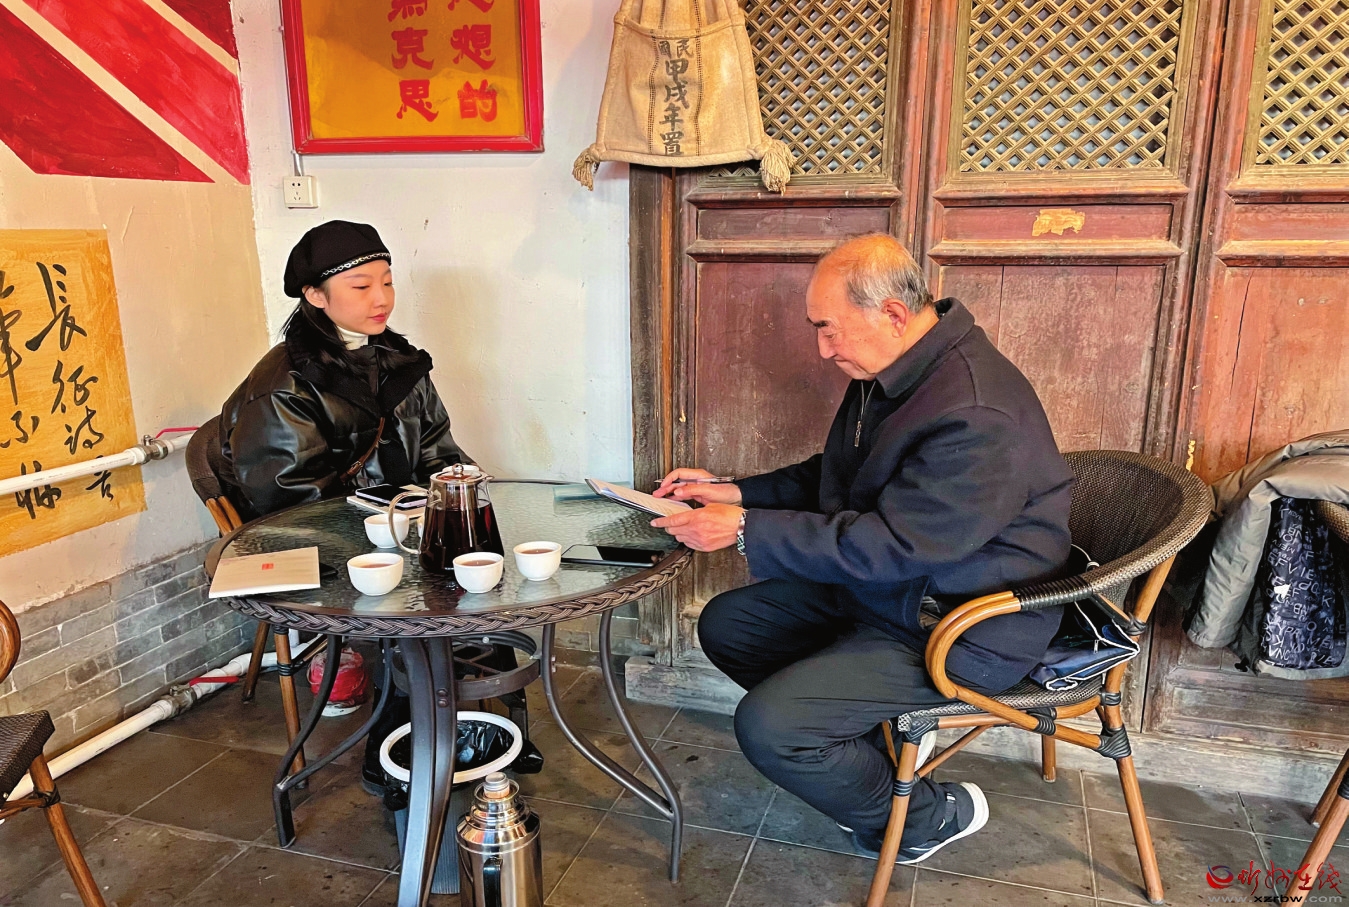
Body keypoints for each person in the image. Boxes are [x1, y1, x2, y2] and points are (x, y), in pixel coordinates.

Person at [650, 233, 1073, 864]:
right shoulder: (893, 370)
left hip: (960, 624)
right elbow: (840, 475)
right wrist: (732, 490)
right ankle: (875, 758)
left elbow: (897, 544)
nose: (823, 349)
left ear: (893, 314)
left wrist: (743, 529)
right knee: (730, 624)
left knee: (773, 729)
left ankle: (933, 815)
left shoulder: (975, 411)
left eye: (829, 329)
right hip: (889, 594)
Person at [215, 220, 530, 793]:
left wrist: (459, 495)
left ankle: (492, 724)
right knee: (429, 592)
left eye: (387, 281)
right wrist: (400, 530)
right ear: (315, 295)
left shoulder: (398, 362)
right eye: (361, 286)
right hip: (325, 543)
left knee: (480, 559)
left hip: (397, 528)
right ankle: (399, 748)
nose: (381, 298)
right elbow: (292, 504)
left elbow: (438, 451)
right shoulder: (285, 384)